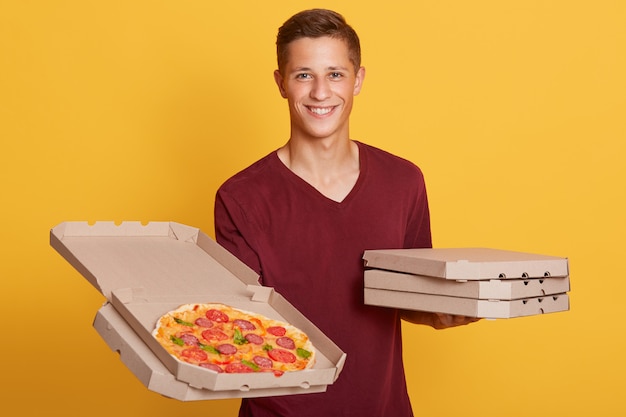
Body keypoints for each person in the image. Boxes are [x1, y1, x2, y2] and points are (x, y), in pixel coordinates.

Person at [214, 9, 478, 417]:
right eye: (304, 75)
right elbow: (243, 326)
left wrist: (445, 309)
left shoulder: (404, 181)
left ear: (358, 80)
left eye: (335, 74)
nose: (321, 92)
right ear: (281, 83)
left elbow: (406, 293)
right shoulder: (241, 198)